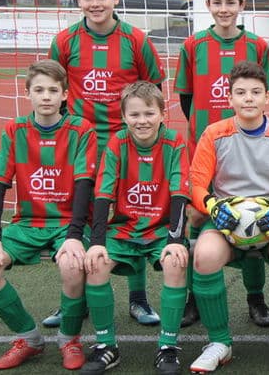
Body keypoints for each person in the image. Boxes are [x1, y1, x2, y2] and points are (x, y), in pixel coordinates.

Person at [48, 0, 167, 327]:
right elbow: (57, 89)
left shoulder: (136, 40)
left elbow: (153, 90)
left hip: (127, 144)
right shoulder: (65, 41)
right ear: (78, 0)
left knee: (132, 214)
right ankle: (74, 298)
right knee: (80, 217)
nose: (95, 3)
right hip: (81, 146)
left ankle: (138, 299)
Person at [188, 61, 269, 374]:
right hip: (227, 219)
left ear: (268, 97)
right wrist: (213, 207)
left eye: (256, 92)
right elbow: (196, 185)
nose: (248, 98)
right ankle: (219, 343)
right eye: (241, 92)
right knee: (204, 255)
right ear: (229, 98)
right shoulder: (214, 134)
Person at [0, 60, 97, 370]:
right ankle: (28, 338)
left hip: (67, 224)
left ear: (64, 95)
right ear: (27, 92)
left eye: (53, 90)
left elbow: (84, 185)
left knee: (72, 265)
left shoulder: (81, 129)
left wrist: (74, 236)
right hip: (27, 224)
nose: (46, 96)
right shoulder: (14, 130)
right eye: (39, 90)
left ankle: (69, 339)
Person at [174, 0, 269, 329]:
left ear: (241, 5)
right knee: (197, 218)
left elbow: (264, 93)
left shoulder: (257, 46)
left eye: (231, 2)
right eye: (217, 2)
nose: (224, 8)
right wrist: (207, 134)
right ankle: (194, 297)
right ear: (207, 5)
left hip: (247, 149)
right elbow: (186, 98)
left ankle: (255, 297)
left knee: (250, 214)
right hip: (205, 148)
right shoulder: (193, 45)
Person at [80, 82, 190, 375]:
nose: (142, 121)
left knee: (175, 263)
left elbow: (180, 191)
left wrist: (175, 239)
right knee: (96, 264)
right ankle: (106, 345)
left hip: (161, 229)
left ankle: (167, 346)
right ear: (124, 116)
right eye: (135, 114)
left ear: (163, 114)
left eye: (149, 113)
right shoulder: (117, 143)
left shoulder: (174, 142)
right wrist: (97, 242)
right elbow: (103, 192)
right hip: (125, 229)